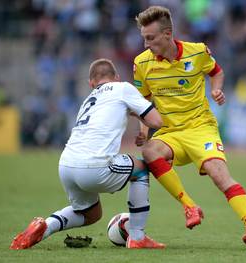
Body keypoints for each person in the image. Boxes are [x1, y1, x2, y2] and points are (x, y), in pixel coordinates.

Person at [132, 6, 246, 247]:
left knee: (219, 174)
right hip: (171, 133)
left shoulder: (197, 52)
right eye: (144, 38)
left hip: (201, 128)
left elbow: (216, 71)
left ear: (167, 34)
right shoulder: (142, 63)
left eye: (150, 38)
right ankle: (189, 206)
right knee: (149, 151)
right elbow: (144, 101)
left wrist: (216, 88)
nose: (145, 44)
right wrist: (144, 132)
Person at [10, 59, 165, 249]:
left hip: (66, 166)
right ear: (117, 78)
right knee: (141, 169)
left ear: (91, 83)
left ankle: (46, 226)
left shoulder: (89, 100)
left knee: (90, 214)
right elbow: (156, 121)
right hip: (94, 166)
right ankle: (138, 236)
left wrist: (132, 112)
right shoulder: (123, 88)